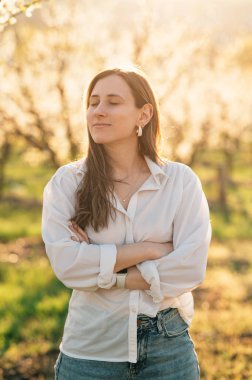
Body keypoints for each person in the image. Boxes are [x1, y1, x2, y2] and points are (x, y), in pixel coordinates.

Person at [42, 66, 211, 380]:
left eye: (112, 102)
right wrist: (149, 249)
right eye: (93, 102)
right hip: (91, 351)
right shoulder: (68, 183)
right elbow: (68, 266)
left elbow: (190, 267)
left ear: (143, 114)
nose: (98, 111)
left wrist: (104, 270)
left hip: (168, 348)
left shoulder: (180, 182)